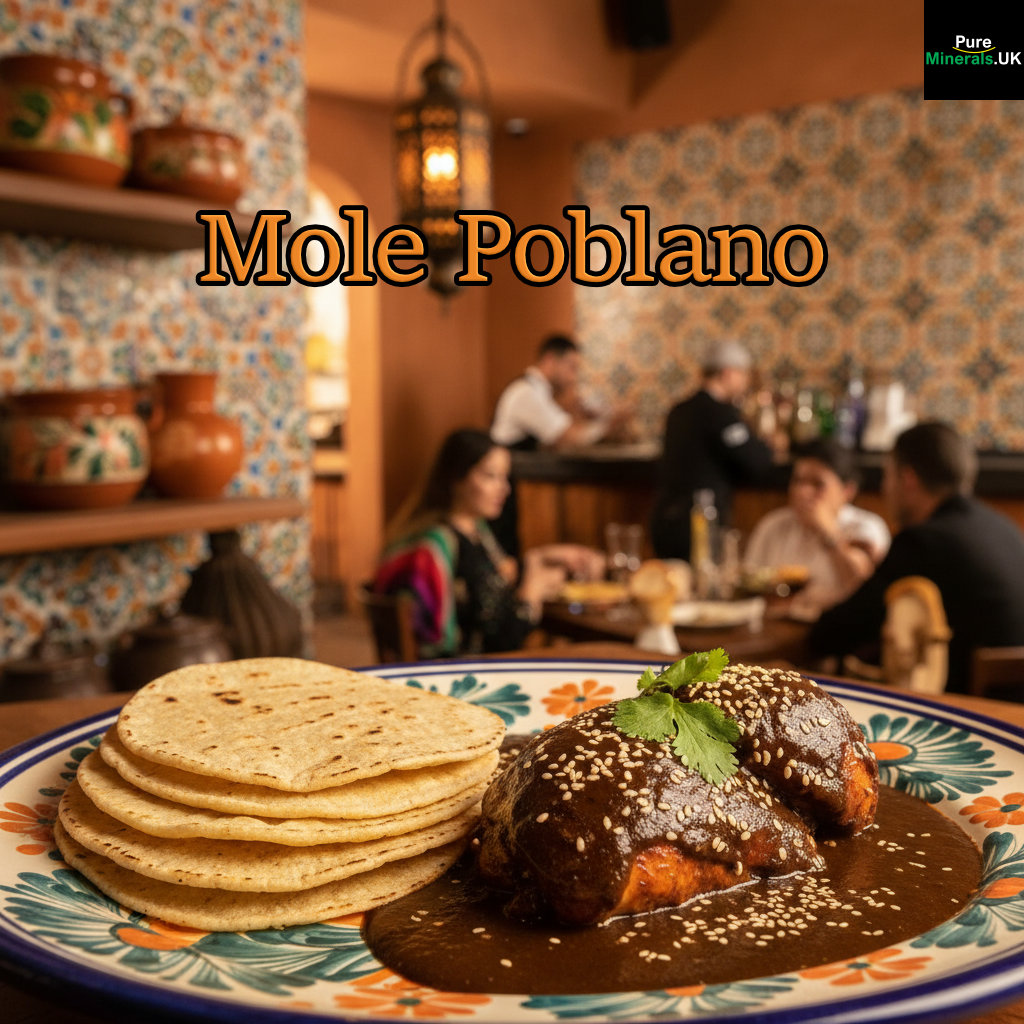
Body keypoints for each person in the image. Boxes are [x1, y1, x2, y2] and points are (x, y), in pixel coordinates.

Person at [808, 421, 1024, 694]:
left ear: (908, 479)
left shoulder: (925, 540)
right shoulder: (1003, 527)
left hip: (981, 710)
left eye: (887, 476)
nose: (885, 489)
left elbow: (838, 631)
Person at [373, 429, 605, 658]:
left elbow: (489, 585)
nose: (504, 489)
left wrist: (543, 557)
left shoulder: (475, 530)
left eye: (505, 477)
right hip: (461, 678)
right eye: (490, 476)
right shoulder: (433, 549)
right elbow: (469, 647)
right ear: (457, 477)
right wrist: (531, 594)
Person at [490, 334, 629, 554]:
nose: (573, 377)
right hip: (501, 484)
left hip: (512, 483)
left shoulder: (540, 393)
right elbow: (565, 437)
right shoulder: (526, 393)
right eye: (571, 367)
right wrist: (606, 425)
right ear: (550, 360)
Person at [651, 339, 774, 561]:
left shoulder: (678, 410)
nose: (745, 382)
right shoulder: (720, 415)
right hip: (698, 525)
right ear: (727, 373)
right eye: (743, 374)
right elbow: (757, 461)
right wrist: (770, 444)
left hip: (665, 519)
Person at [744, 438, 890, 618]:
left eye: (817, 484)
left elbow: (864, 588)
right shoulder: (774, 525)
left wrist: (827, 531)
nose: (802, 492)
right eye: (798, 481)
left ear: (848, 490)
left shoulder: (865, 527)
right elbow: (748, 585)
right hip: (776, 628)